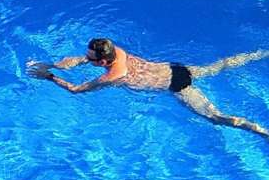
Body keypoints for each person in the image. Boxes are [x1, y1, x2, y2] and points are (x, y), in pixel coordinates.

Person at [27, 38, 269, 138]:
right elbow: (82, 60)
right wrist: (57, 63)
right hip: (175, 68)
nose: (85, 58)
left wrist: (48, 76)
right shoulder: (116, 51)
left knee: (215, 117)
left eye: (90, 58)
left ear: (102, 62)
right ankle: (261, 53)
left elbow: (76, 90)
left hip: (177, 84)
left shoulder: (112, 76)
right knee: (219, 66)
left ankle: (262, 133)